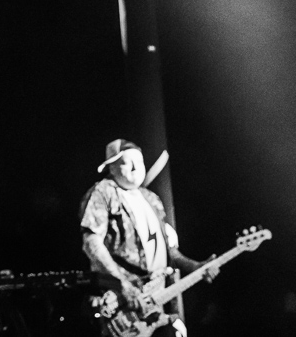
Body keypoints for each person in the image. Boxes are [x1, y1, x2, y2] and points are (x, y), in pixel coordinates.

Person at [79, 139, 219, 333]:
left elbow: (170, 252)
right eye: (128, 162)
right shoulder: (104, 192)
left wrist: (195, 267)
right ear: (112, 168)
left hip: (154, 298)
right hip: (122, 303)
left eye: (140, 161)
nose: (137, 167)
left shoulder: (151, 199)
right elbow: (91, 242)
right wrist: (123, 285)